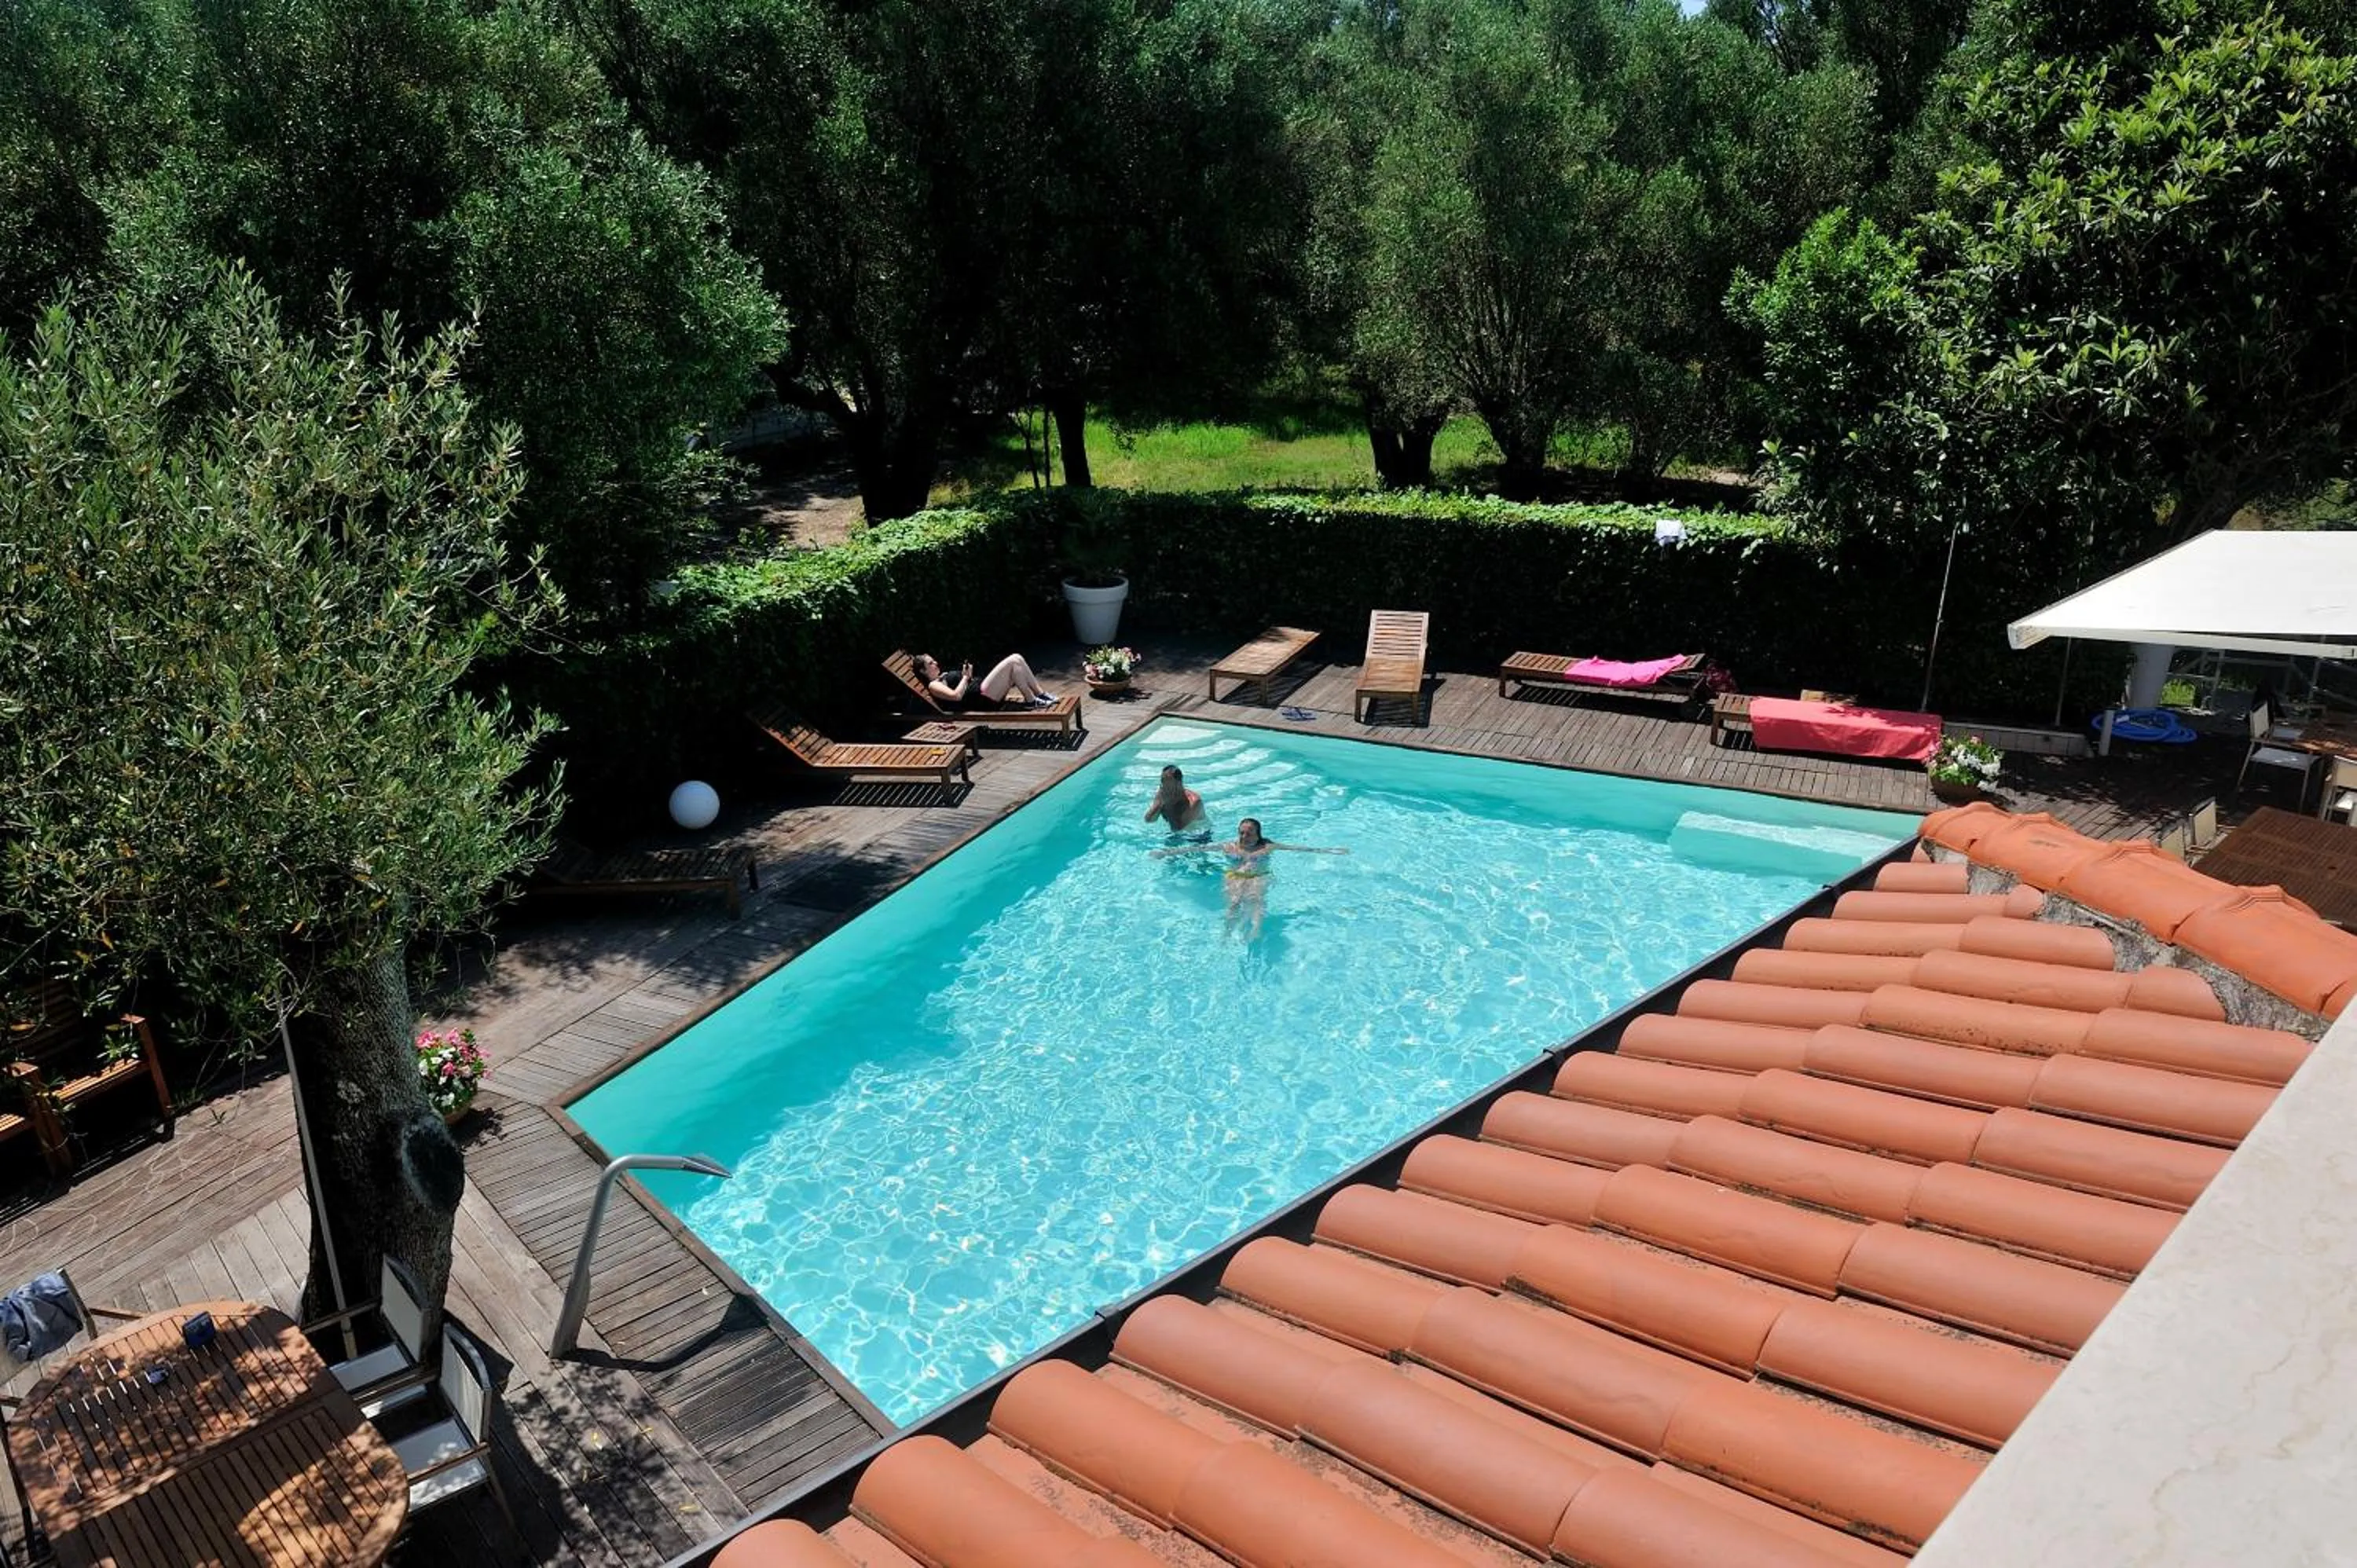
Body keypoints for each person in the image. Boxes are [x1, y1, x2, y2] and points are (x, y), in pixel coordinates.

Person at [1154, 817, 1347, 938]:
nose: (1244, 836)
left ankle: (1255, 931)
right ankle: (1227, 933)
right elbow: (1198, 848)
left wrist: (1330, 850)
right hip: (1234, 875)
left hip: (1259, 875)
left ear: (1258, 834)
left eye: (1249, 833)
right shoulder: (1229, 846)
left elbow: (1297, 848)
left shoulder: (1267, 846)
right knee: (1234, 902)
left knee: (1255, 899)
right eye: (1241, 832)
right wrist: (1167, 853)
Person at [912, 651, 1058, 709]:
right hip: (982, 699)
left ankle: (1039, 694)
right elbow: (955, 696)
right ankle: (1031, 701)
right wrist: (965, 677)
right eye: (930, 664)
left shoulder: (942, 676)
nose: (935, 663)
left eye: (934, 661)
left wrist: (966, 674)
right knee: (1013, 660)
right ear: (923, 671)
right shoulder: (933, 685)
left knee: (1017, 659)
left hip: (984, 692)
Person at [1142, 765, 1207, 837]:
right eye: (1163, 781)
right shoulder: (1163, 793)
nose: (1164, 786)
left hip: (1199, 836)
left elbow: (1179, 829)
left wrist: (1169, 805)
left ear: (1179, 783)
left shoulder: (1194, 802)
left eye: (1168, 783)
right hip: (1177, 835)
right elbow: (1149, 820)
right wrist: (1159, 805)